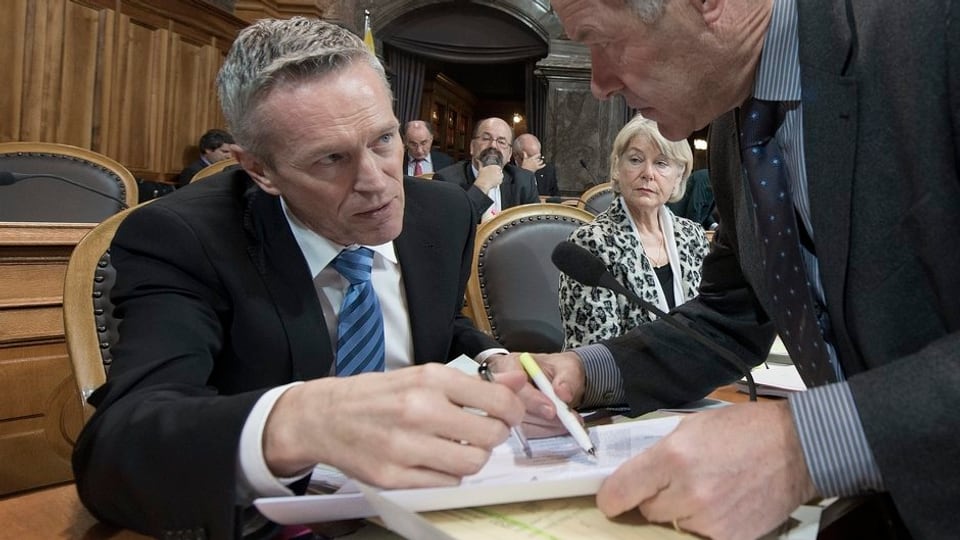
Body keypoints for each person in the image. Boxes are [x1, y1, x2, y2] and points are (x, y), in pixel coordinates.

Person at [500, 0, 960, 538]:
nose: (598, 83)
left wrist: (805, 445)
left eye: (603, 39)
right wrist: (585, 372)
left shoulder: (936, 29)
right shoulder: (731, 121)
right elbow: (731, 311)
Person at [72, 17, 529, 539]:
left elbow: (435, 324)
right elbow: (116, 452)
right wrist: (304, 420)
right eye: (331, 159)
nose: (377, 184)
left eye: (383, 140)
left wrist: (493, 360)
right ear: (260, 170)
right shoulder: (184, 239)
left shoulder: (443, 213)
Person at [559, 115, 708, 349]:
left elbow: (711, 323)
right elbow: (596, 352)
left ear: (679, 176)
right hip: (621, 382)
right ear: (618, 168)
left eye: (661, 163)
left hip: (699, 377)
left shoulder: (693, 236)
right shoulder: (590, 243)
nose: (648, 173)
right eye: (636, 159)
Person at [434, 117, 539, 222]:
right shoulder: (446, 180)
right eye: (486, 138)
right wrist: (482, 186)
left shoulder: (524, 181)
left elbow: (534, 228)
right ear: (472, 147)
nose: (493, 145)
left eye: (501, 142)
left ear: (509, 154)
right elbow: (451, 226)